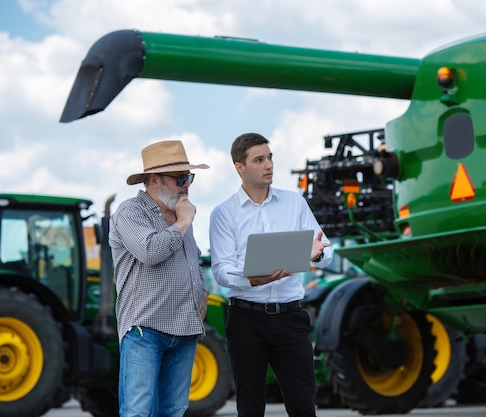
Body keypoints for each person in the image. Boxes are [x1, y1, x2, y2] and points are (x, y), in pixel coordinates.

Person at [209, 132, 332, 417]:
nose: (269, 165)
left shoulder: (295, 203)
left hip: (291, 318)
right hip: (246, 320)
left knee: (303, 406)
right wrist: (252, 279)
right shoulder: (224, 214)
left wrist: (318, 254)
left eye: (270, 157)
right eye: (259, 159)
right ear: (240, 167)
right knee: (250, 408)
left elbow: (326, 251)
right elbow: (222, 270)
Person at [109, 140, 210, 417]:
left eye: (189, 177)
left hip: (185, 332)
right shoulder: (130, 212)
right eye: (180, 178)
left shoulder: (180, 216)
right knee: (138, 413)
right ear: (154, 180)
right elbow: (150, 251)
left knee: (174, 412)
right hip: (146, 330)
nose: (187, 184)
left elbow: (193, 260)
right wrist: (183, 223)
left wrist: (202, 291)